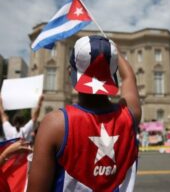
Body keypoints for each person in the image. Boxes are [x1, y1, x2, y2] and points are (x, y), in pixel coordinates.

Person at [27, 35, 141, 191]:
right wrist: (113, 51)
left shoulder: (54, 124)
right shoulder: (130, 115)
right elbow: (129, 78)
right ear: (113, 75)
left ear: (70, 74)